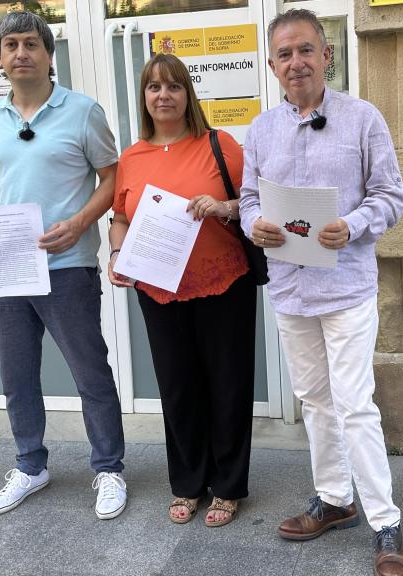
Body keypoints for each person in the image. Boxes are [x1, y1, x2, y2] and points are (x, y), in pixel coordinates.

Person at [238, 9, 403, 576]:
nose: (296, 63)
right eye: (284, 54)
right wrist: (253, 223)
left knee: (355, 404)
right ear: (271, 65)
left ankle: (385, 522)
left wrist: (353, 224)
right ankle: (335, 499)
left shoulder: (363, 119)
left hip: (347, 287)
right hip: (290, 287)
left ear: (326, 55)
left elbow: (390, 196)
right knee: (314, 401)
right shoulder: (260, 129)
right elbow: (247, 199)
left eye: (305, 50)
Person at [0, 11, 127, 520]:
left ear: (48, 54)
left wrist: (80, 223)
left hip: (67, 266)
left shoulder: (81, 111)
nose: (20, 53)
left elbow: (113, 177)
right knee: (17, 377)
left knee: (90, 373)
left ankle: (109, 469)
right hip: (7, 268)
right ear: (0, 58)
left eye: (30, 44)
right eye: (10, 45)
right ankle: (30, 465)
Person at [107, 53, 256, 527]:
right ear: (144, 97)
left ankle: (228, 487)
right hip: (157, 289)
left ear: (187, 94)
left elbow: (254, 203)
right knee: (178, 387)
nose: (164, 95)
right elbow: (121, 217)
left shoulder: (220, 145)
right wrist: (115, 254)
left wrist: (222, 206)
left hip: (223, 282)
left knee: (228, 385)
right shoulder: (131, 158)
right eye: (154, 87)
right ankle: (188, 483)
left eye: (173, 86)